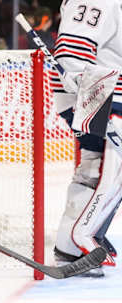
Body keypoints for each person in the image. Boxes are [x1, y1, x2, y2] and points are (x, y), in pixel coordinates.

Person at [51, 0, 122, 276]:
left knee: (99, 166)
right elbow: (72, 49)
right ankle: (74, 248)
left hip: (104, 92)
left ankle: (83, 239)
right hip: (98, 94)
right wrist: (86, 90)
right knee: (106, 167)